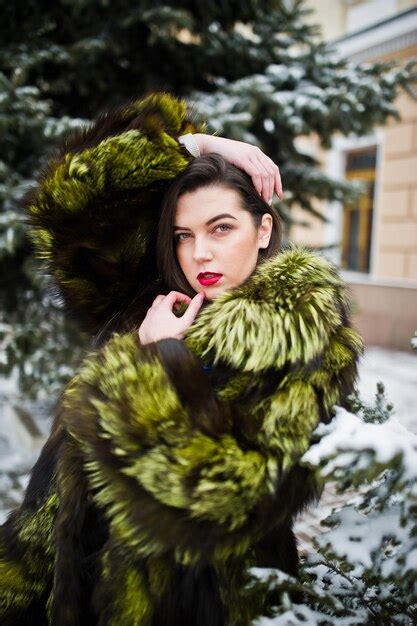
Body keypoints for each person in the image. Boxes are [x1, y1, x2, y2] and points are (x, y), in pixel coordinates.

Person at [0, 91, 364, 625]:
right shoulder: (149, 300)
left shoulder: (299, 337)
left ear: (262, 230)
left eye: (222, 228)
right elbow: (66, 211)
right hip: (60, 584)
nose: (200, 254)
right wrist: (190, 145)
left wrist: (162, 362)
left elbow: (224, 496)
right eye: (182, 236)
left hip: (194, 607)